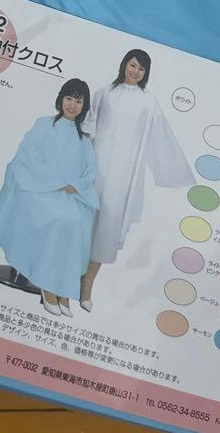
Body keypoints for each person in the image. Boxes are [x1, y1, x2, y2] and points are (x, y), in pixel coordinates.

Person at [79, 50, 193, 311]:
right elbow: (87, 127)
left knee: (106, 227)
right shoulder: (105, 93)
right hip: (95, 167)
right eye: (132, 65)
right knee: (80, 221)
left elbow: (161, 137)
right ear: (124, 65)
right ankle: (62, 279)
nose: (135, 71)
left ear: (146, 73)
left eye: (141, 69)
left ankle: (87, 284)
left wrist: (174, 171)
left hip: (123, 174)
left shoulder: (148, 101)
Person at [0, 79, 99, 317]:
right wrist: (55, 183)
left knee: (78, 222)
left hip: (70, 194)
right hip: (38, 190)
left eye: (78, 101)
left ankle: (63, 289)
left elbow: (91, 172)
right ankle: (48, 286)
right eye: (69, 99)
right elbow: (27, 159)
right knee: (59, 219)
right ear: (61, 99)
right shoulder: (43, 125)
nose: (72, 105)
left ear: (84, 106)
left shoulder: (84, 139)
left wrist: (75, 186)